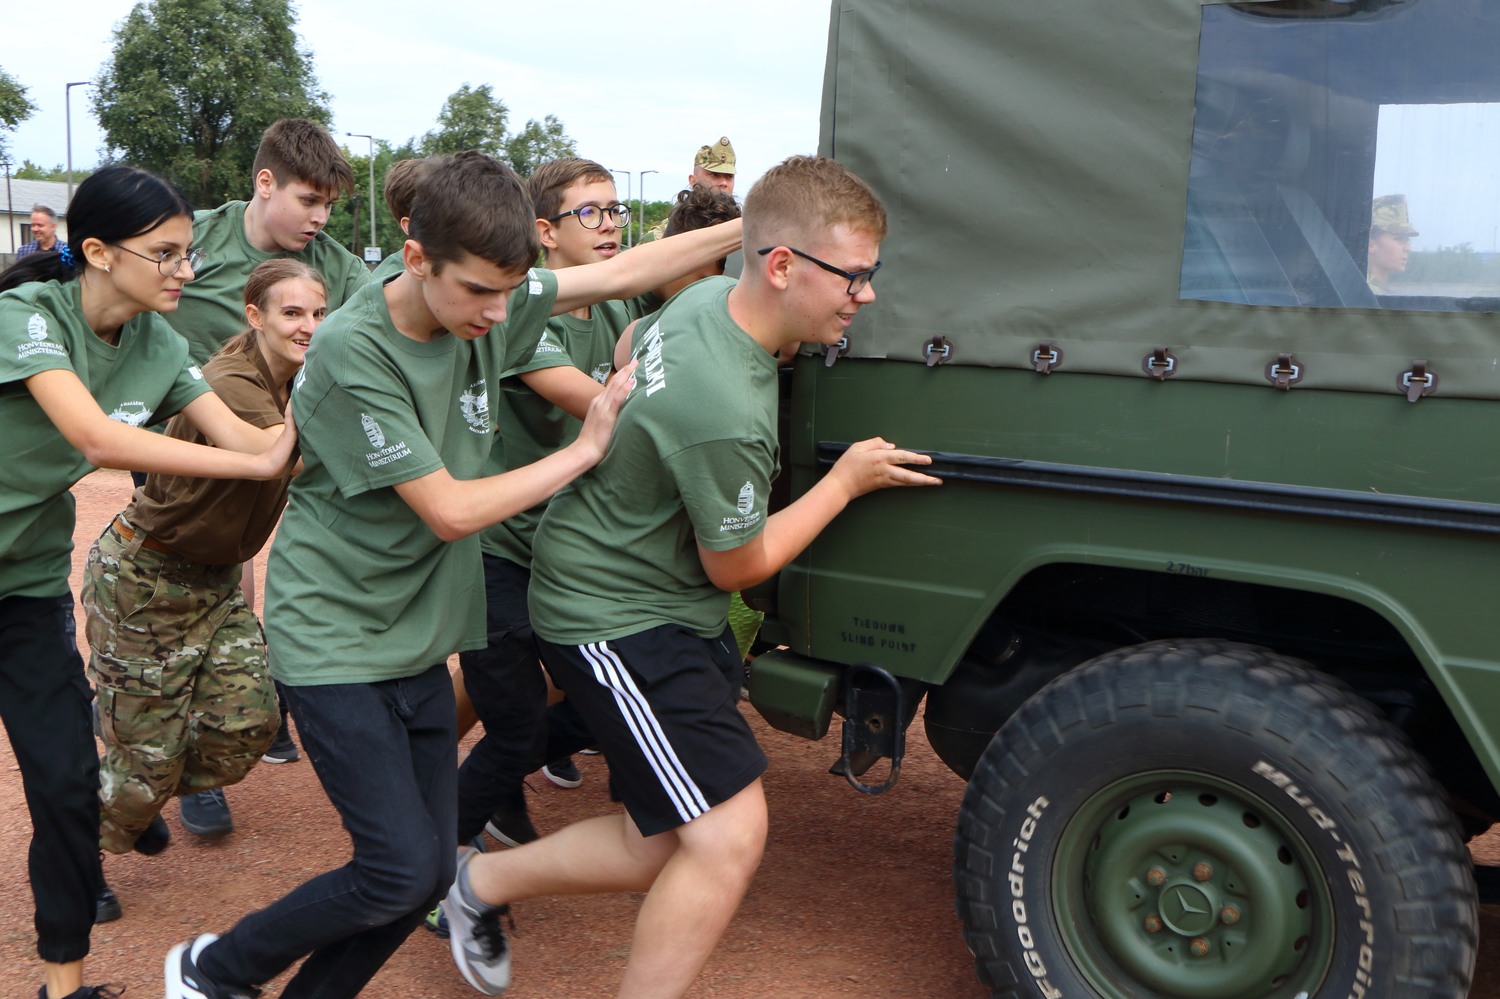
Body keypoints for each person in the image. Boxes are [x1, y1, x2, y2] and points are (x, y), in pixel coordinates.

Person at [163, 149, 742, 999]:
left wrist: (757, 224)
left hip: (421, 633)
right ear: (415, 259)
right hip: (335, 639)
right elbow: (450, 509)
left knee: (422, 874)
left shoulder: (487, 302)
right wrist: (584, 449)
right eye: (478, 291)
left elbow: (631, 266)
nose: (499, 313)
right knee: (397, 869)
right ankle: (215, 968)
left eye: (510, 292)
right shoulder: (355, 350)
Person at [442, 154, 939, 999]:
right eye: (854, 277)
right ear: (782, 266)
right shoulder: (726, 413)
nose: (867, 295)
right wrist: (844, 482)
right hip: (613, 614)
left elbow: (636, 345)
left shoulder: (707, 299)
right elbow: (740, 567)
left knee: (666, 833)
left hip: (649, 593)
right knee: (729, 832)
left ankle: (475, 887)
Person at [0, 164, 298, 999]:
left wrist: (305, 401)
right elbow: (95, 438)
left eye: (188, 253)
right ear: (96, 252)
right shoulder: (25, 317)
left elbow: (245, 442)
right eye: (164, 254)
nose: (185, 271)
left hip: (22, 583)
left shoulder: (160, 343)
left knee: (63, 785)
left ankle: (64, 986)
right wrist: (255, 457)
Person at [83, 259, 328, 920]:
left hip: (214, 583)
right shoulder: (235, 383)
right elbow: (286, 456)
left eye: (317, 314)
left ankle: (134, 780)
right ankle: (81, 848)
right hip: (146, 579)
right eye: (292, 313)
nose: (309, 326)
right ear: (255, 316)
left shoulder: (293, 381)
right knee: (144, 771)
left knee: (248, 725)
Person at [165, 117, 373, 835]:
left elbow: (384, 315)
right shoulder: (196, 240)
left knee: (321, 543)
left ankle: (280, 684)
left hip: (290, 429)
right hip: (196, 440)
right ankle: (196, 755)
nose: (319, 218)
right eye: (309, 200)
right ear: (264, 184)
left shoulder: (338, 265)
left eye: (328, 206)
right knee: (219, 570)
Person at [454, 157, 634, 865]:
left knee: (588, 704)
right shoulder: (522, 321)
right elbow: (607, 412)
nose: (610, 223)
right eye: (591, 212)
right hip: (502, 546)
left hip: (567, 551)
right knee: (517, 720)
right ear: (545, 232)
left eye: (615, 209)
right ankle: (441, 841)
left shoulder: (619, 309)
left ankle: (479, 783)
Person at [1367, 193, 1418, 294]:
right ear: (1371, 245)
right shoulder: (1368, 294)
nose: (1408, 248)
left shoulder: (1364, 288)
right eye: (1399, 239)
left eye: (1407, 240)